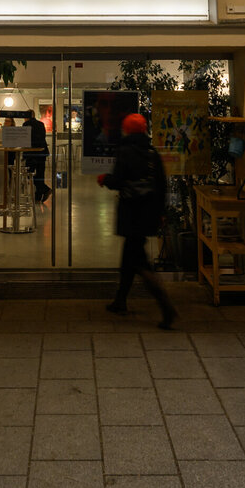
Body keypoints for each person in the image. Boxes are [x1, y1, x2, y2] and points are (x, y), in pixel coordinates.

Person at [98, 113, 176, 329]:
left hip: (131, 212)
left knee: (138, 262)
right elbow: (162, 185)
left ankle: (166, 306)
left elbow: (118, 181)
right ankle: (120, 301)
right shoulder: (152, 153)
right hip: (148, 212)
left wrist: (105, 179)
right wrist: (160, 212)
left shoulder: (125, 151)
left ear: (127, 130)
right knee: (129, 257)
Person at [22, 108, 51, 204]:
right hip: (42, 152)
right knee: (40, 174)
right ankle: (38, 197)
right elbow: (43, 137)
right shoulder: (41, 124)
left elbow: (25, 139)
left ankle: (45, 189)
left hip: (32, 153)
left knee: (29, 174)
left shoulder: (26, 125)